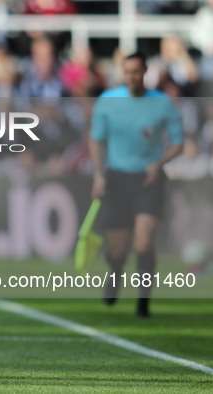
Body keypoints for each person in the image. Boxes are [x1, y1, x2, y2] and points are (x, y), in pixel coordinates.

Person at [89, 52, 184, 318]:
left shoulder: (162, 103)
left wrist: (159, 162)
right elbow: (96, 139)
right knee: (117, 247)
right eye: (127, 72)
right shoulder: (107, 102)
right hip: (117, 178)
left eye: (137, 72)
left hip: (148, 178)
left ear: (145, 72)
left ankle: (143, 301)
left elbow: (178, 142)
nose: (132, 77)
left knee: (143, 243)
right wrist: (98, 173)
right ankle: (116, 271)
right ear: (123, 73)